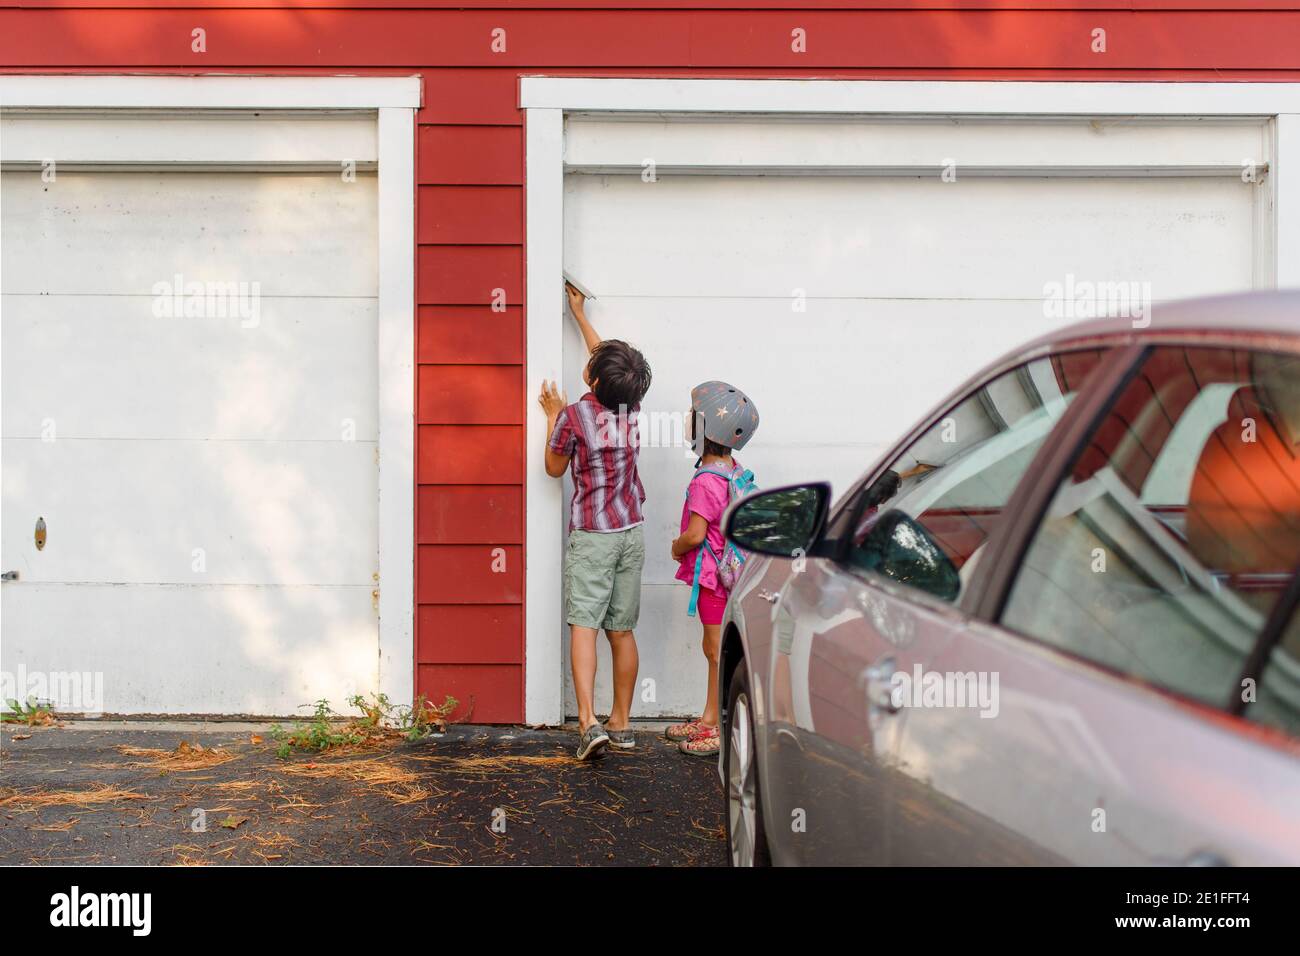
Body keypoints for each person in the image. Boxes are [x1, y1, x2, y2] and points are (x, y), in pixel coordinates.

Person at [537, 283, 653, 760]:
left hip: (594, 538)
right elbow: (610, 366)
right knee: (621, 630)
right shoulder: (630, 406)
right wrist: (580, 315)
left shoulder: (574, 416)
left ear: (590, 381)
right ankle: (621, 722)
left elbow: (553, 467)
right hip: (632, 533)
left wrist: (549, 416)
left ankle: (588, 724)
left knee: (583, 625)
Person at [668, 381, 760, 757]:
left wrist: (676, 548)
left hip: (711, 580)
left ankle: (720, 726)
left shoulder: (706, 480)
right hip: (728, 576)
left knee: (715, 651)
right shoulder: (732, 469)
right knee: (714, 651)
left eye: (694, 417)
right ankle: (709, 717)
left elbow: (694, 535)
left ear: (705, 429)